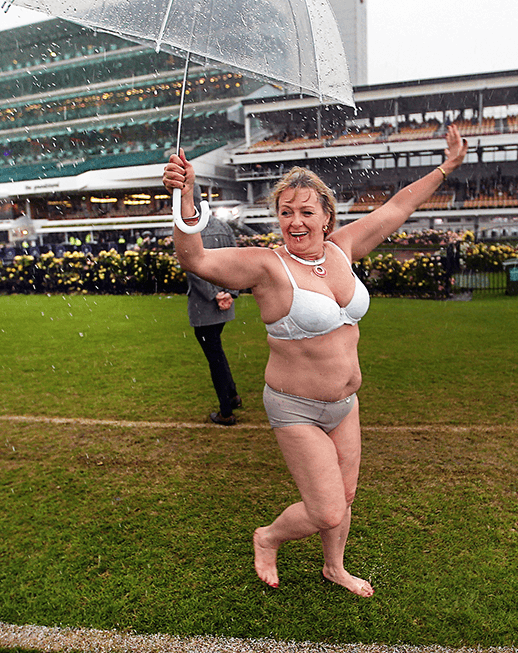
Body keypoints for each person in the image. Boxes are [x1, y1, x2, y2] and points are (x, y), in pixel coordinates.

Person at [163, 124, 467, 597]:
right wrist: (185, 201)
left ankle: (334, 567)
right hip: (296, 408)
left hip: (347, 404)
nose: (296, 222)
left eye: (307, 211)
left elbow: (399, 205)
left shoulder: (342, 248)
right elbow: (195, 259)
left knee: (345, 498)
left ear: (327, 216)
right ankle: (268, 537)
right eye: (286, 213)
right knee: (326, 509)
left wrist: (446, 167)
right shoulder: (267, 266)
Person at [185, 187, 242, 425]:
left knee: (214, 357)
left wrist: (215, 295)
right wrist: (229, 292)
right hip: (223, 303)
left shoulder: (187, 227)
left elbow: (193, 268)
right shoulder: (222, 226)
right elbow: (237, 259)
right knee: (217, 351)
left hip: (204, 305)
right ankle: (232, 395)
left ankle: (226, 411)